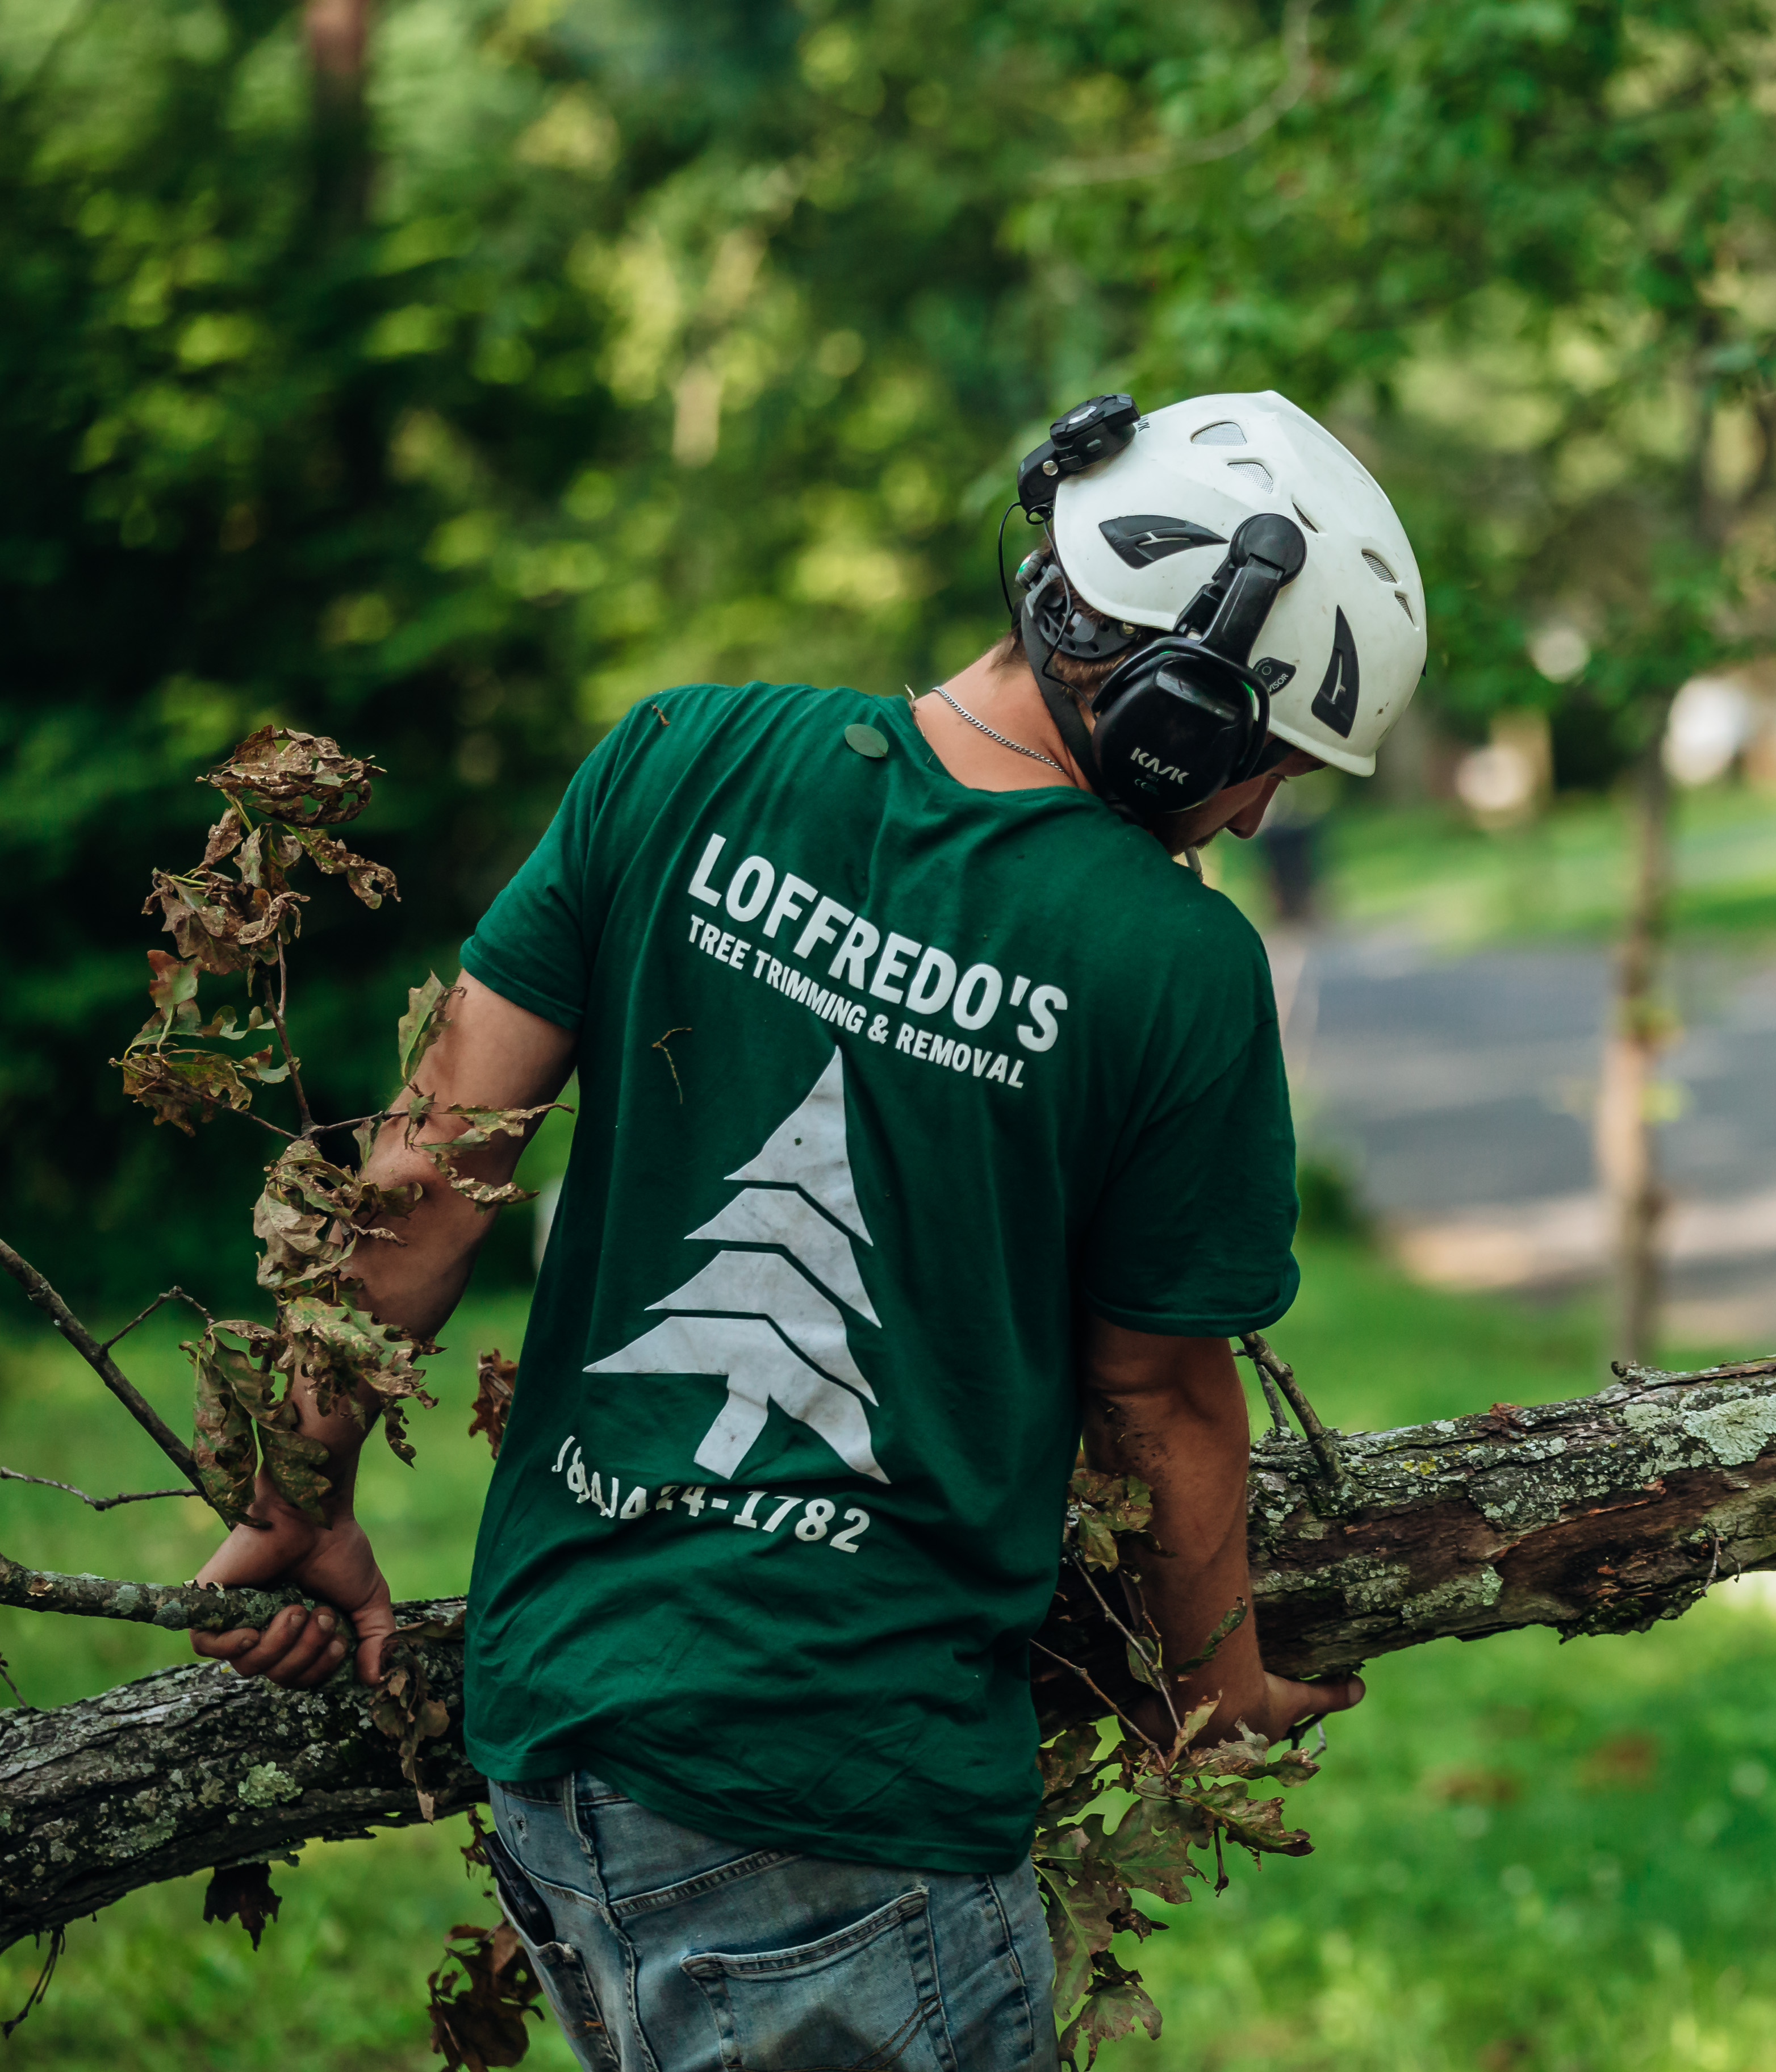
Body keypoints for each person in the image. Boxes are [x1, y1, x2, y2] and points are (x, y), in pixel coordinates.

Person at [185, 391, 1430, 2071]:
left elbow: (421, 1168)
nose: (1262, 818)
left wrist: (298, 1494)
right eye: (1269, 762)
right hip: (848, 1797)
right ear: (1179, 710)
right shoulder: (1175, 962)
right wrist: (1209, 1692)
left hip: (561, 1743)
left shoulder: (679, 753)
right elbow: (1159, 1398)